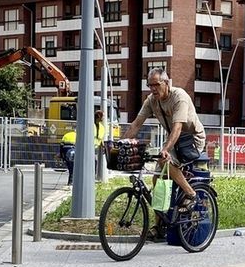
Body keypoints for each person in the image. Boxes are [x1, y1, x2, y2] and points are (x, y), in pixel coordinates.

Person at [123, 69, 206, 211]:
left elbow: (177, 127)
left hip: (191, 140)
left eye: (156, 84)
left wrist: (165, 149)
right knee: (157, 179)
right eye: (150, 85)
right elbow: (136, 124)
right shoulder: (151, 101)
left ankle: (191, 194)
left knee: (163, 161)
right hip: (175, 140)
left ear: (166, 83)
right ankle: (159, 226)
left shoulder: (179, 97)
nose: (153, 89)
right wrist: (120, 143)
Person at [59, 109, 105, 185]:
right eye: (102, 116)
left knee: (94, 163)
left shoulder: (102, 127)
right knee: (86, 164)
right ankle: (81, 181)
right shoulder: (89, 125)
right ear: (98, 117)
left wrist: (103, 147)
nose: (103, 118)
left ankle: (89, 180)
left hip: (94, 148)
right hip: (87, 148)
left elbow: (101, 138)